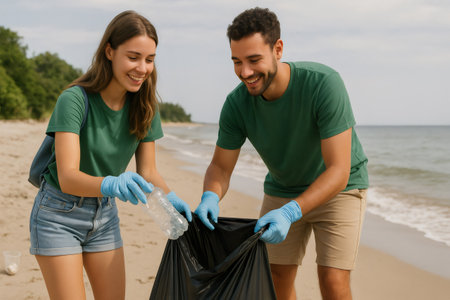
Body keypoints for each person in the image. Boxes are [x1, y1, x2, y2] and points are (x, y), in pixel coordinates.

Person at [194, 7, 368, 300]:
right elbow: (220, 168)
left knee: (332, 279)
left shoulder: (323, 84)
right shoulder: (237, 105)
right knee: (274, 277)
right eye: (236, 62)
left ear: (278, 49)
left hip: (340, 188)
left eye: (253, 60)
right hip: (283, 188)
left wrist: (291, 212)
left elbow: (339, 169)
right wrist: (210, 196)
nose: (245, 72)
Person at [29, 10, 192, 300]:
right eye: (133, 57)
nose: (142, 68)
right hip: (57, 214)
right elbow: (67, 177)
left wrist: (172, 200)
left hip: (104, 216)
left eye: (150, 59)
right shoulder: (74, 100)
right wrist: (110, 183)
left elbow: (149, 172)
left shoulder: (146, 107)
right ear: (109, 52)